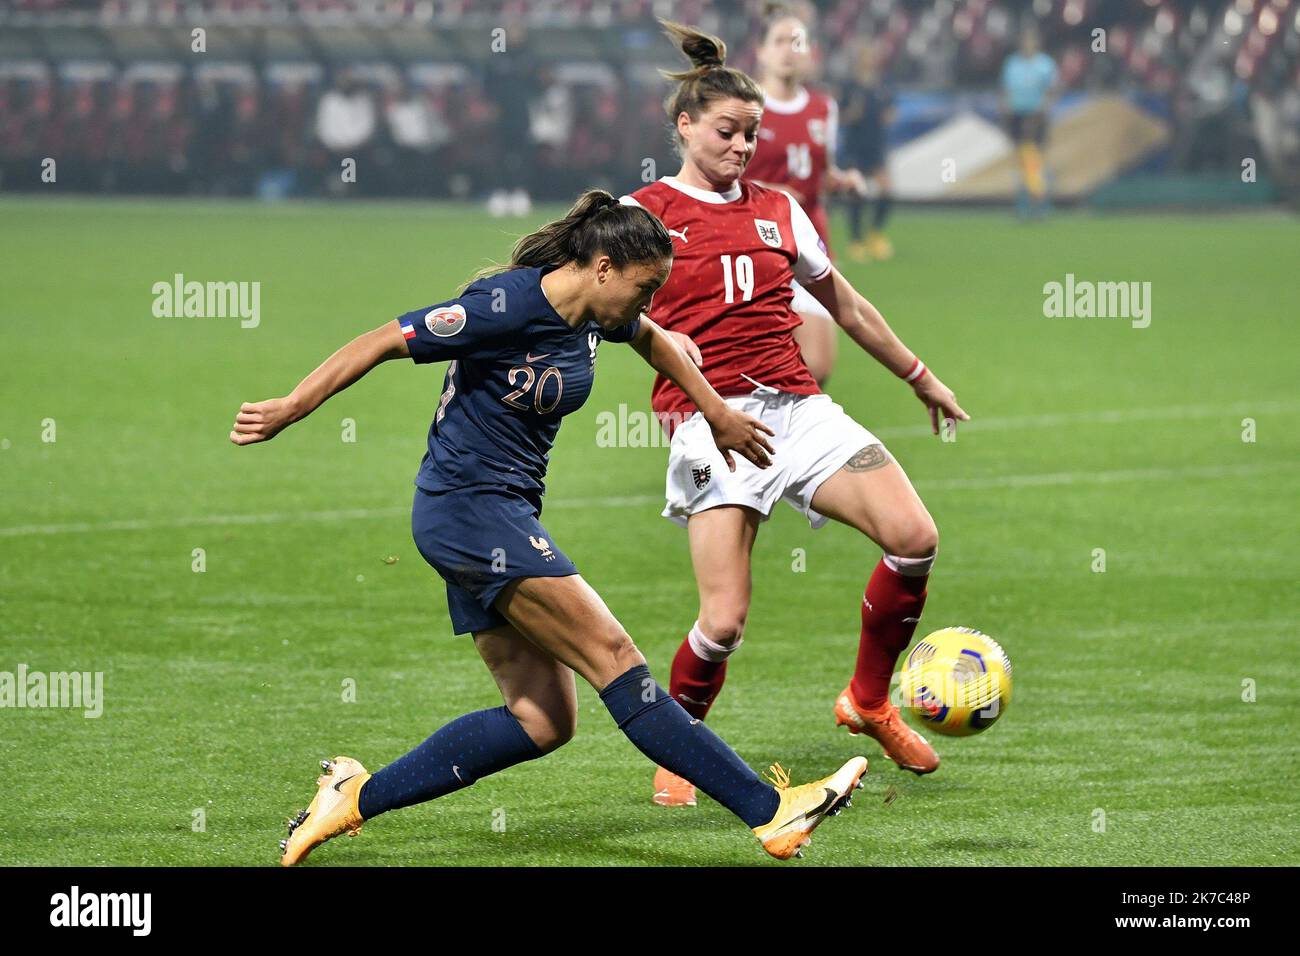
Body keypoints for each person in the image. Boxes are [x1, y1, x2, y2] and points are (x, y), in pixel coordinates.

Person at [230, 190, 867, 864]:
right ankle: (772, 812)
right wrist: (291, 407)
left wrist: (714, 411)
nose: (647, 303)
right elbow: (384, 339)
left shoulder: (596, 310)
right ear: (601, 266)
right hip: (469, 510)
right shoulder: (504, 306)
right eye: (644, 287)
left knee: (542, 720)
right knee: (617, 660)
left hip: (492, 514)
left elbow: (655, 341)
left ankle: (352, 797)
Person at [620, 21, 968, 809]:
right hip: (708, 421)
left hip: (798, 409)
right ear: (684, 125)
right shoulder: (642, 214)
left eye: (751, 134)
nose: (743, 147)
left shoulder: (780, 209)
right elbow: (607, 312)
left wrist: (919, 376)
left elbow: (843, 301)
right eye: (727, 132)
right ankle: (681, 745)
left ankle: (869, 702)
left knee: (914, 538)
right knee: (725, 620)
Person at [743, 2, 868, 386]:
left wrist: (841, 180)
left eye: (796, 42)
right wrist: (768, 192)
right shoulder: (745, 106)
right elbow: (717, 178)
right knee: (755, 369)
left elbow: (819, 172)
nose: (788, 49)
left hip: (810, 245)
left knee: (818, 368)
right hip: (755, 251)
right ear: (761, 51)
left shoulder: (822, 107)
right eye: (779, 41)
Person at [840, 40, 897, 262]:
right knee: (857, 193)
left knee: (887, 191)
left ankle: (874, 233)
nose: (870, 60)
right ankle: (855, 241)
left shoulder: (882, 84)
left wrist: (888, 115)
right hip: (856, 146)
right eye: (866, 55)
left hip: (875, 146)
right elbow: (843, 116)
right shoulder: (850, 86)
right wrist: (853, 113)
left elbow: (890, 110)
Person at [1001, 25, 1058, 218]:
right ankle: (1024, 203)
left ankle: (1041, 204)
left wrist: (1043, 110)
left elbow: (1052, 90)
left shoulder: (1045, 64)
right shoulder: (1012, 64)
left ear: (1037, 43)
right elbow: (1006, 91)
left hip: (1037, 116)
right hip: (1017, 115)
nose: (1027, 44)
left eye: (1030, 40)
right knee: (1021, 160)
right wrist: (1006, 113)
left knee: (1038, 160)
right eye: (1024, 41)